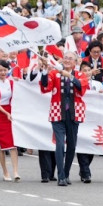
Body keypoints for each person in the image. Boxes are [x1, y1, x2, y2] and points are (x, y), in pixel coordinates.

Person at [40, 51, 87, 187]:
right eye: (65, 58)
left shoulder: (80, 75)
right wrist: (44, 71)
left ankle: (66, 173)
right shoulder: (54, 74)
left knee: (71, 145)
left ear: (75, 62)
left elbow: (81, 88)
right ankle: (61, 176)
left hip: (74, 113)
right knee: (60, 144)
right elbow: (45, 87)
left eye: (70, 58)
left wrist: (69, 76)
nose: (67, 60)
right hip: (57, 112)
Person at [0, 59, 19, 182]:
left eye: (5, 70)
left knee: (13, 144)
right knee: (0, 146)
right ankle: (5, 171)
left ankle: (15, 171)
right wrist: (6, 113)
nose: (3, 72)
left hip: (10, 114)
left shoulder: (11, 83)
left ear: (8, 70)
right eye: (0, 70)